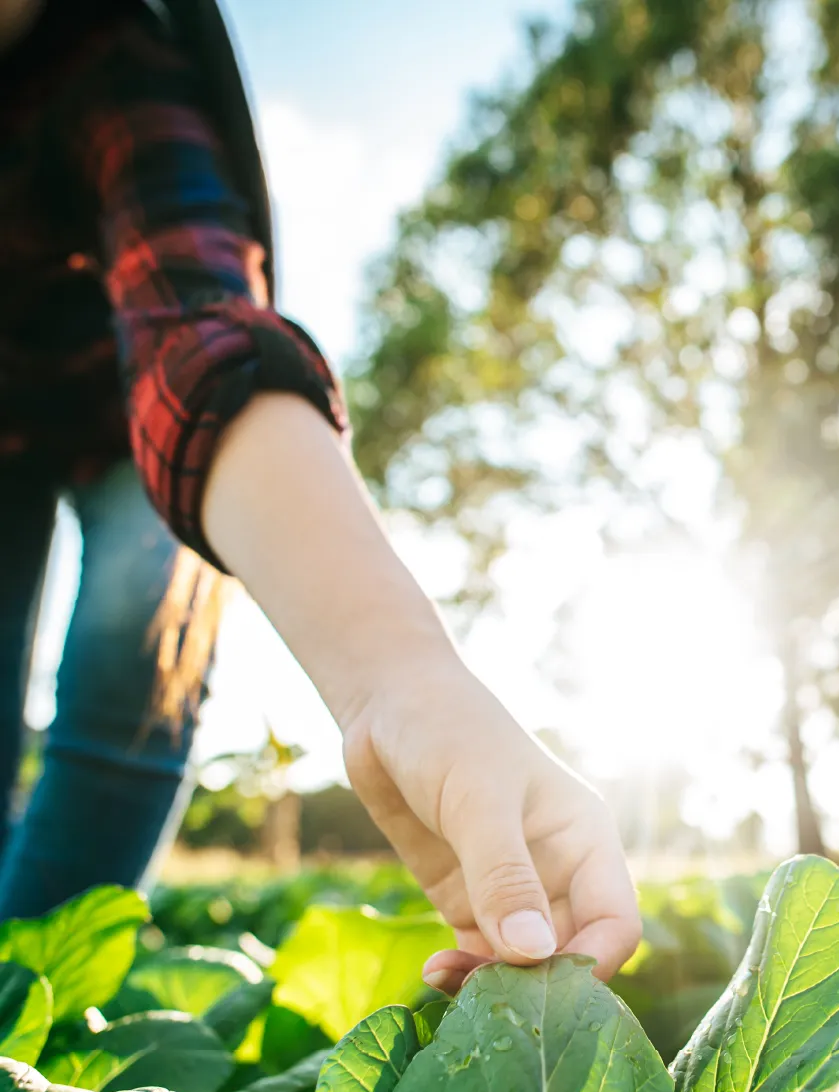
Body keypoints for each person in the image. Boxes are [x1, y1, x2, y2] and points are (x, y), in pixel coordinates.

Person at [0, 0, 639, 994]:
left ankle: (23, 1010)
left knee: (134, 670)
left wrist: (404, 679)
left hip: (143, 419)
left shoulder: (115, 56)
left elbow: (198, 339)